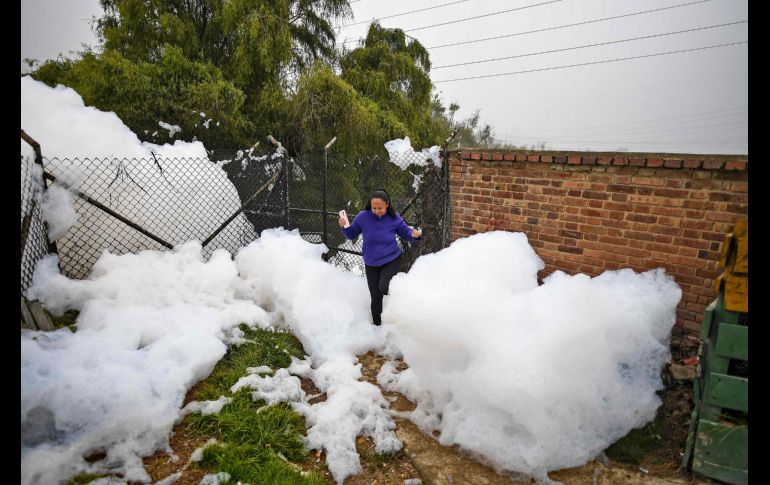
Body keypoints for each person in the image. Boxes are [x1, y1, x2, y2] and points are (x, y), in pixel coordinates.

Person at [339, 189, 421, 326]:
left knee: (384, 288)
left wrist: (414, 235)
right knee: (375, 298)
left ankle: (406, 300)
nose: (377, 210)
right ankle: (377, 328)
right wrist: (344, 227)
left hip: (391, 259)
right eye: (374, 208)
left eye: (380, 208)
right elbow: (351, 234)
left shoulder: (394, 217)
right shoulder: (363, 217)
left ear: (387, 204)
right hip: (371, 263)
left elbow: (405, 232)